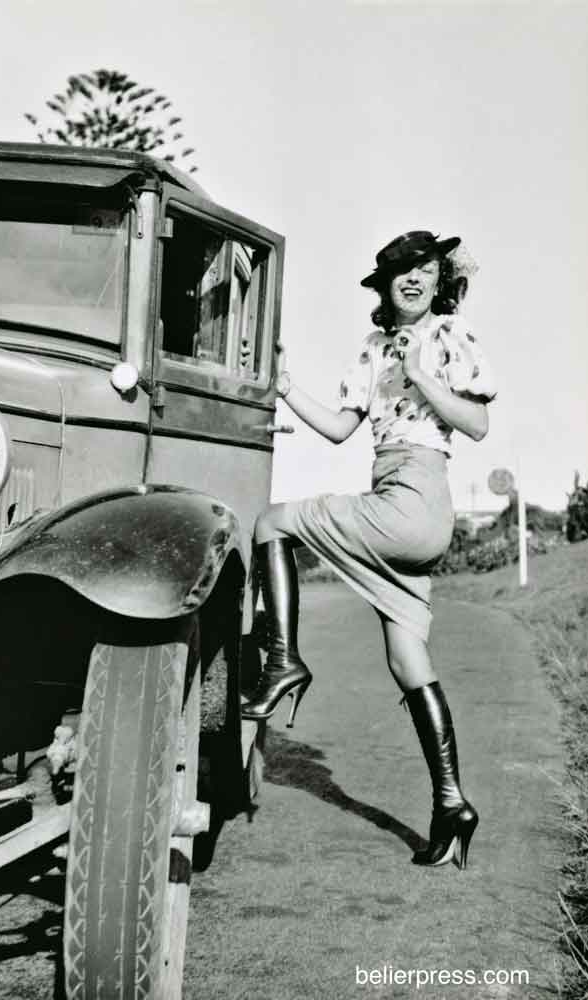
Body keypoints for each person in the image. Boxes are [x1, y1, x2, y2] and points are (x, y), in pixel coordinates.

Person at [241, 230, 496, 870]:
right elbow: (337, 429)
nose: (413, 279)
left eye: (426, 271)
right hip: (393, 493)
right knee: (407, 661)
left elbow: (477, 423)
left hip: (416, 498)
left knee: (273, 521)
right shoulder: (373, 348)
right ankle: (451, 805)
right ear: (385, 284)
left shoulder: (449, 336)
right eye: (401, 271)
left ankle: (282, 663)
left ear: (442, 283)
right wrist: (285, 386)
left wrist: (418, 376)